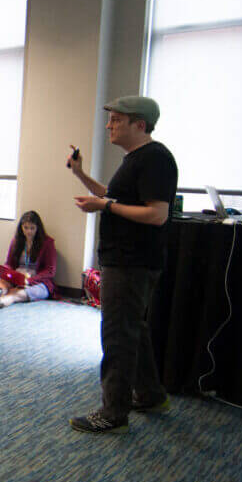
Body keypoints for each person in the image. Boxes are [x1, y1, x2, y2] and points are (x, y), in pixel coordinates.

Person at [68, 96, 178, 434]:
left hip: (133, 262)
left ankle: (113, 413)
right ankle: (151, 394)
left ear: (139, 125)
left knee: (117, 334)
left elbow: (157, 214)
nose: (109, 125)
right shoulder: (135, 159)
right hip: (124, 259)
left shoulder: (155, 158)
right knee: (133, 329)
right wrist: (80, 174)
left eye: (116, 120)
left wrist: (106, 207)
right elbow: (112, 197)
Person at [0, 211, 56, 311]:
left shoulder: (48, 242)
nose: (29, 231)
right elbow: (9, 263)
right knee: (1, 286)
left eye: (32, 228)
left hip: (38, 282)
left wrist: (29, 280)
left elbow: (50, 271)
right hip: (17, 277)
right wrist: (7, 272)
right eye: (26, 228)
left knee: (15, 294)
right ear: (21, 227)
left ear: (38, 228)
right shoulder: (16, 240)